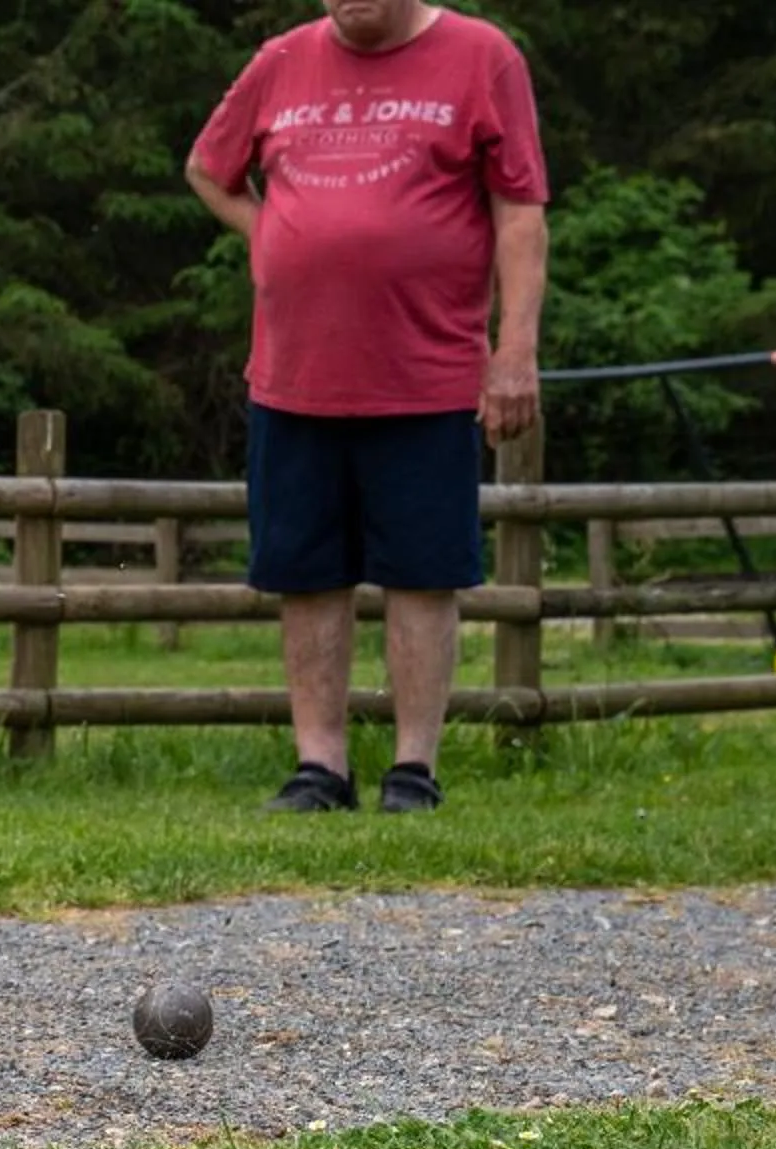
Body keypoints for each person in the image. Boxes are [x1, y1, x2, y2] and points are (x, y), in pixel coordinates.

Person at [185, 0, 550, 812]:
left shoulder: (482, 56)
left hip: (425, 369)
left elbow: (520, 212)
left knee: (422, 573)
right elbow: (209, 169)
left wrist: (515, 350)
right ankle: (322, 768)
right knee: (306, 573)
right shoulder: (281, 59)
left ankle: (414, 770)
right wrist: (269, 230)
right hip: (296, 369)